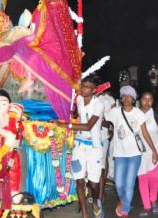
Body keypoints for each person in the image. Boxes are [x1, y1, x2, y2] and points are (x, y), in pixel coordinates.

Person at [55, 75, 104, 218]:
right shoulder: (79, 99)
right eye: (83, 85)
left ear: (94, 90)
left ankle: (95, 201)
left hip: (95, 148)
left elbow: (89, 126)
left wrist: (65, 125)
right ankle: (84, 213)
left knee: (94, 184)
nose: (83, 88)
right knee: (79, 181)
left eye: (87, 86)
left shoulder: (99, 104)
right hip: (80, 145)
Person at [111, 86, 158, 217]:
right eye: (124, 96)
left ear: (133, 99)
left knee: (130, 183)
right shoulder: (114, 112)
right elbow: (102, 120)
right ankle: (123, 200)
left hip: (135, 154)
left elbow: (145, 132)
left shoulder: (138, 113)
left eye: (130, 96)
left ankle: (125, 210)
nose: (127, 98)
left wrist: (154, 150)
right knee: (119, 184)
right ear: (121, 98)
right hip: (119, 154)